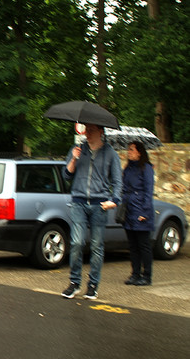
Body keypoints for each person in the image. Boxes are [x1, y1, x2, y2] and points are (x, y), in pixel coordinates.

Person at [61, 123, 123, 300]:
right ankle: (74, 283)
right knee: (77, 243)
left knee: (96, 246)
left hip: (99, 204)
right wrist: (74, 159)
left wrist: (114, 201)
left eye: (91, 130)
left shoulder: (110, 153)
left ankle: (93, 285)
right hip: (79, 202)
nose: (87, 132)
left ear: (100, 132)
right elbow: (66, 175)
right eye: (86, 129)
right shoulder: (77, 149)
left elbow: (118, 181)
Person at [121, 141, 155, 286]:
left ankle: (146, 275)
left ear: (139, 152)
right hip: (129, 210)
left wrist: (145, 211)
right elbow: (123, 187)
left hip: (141, 211)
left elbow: (148, 191)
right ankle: (135, 274)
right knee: (133, 245)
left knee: (143, 245)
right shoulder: (128, 169)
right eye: (128, 150)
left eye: (132, 150)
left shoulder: (146, 168)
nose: (129, 152)